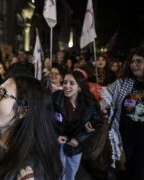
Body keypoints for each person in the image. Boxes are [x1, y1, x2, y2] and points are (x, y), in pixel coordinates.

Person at [100, 45, 144, 180]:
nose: (134, 65)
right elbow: (102, 103)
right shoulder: (122, 84)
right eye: (132, 61)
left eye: (139, 61)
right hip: (122, 143)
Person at [52, 71, 103, 180]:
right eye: (65, 82)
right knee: (58, 172)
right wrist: (56, 135)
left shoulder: (90, 102)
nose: (66, 86)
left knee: (71, 172)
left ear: (80, 87)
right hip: (58, 143)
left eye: (71, 83)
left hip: (76, 146)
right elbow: (47, 119)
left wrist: (79, 138)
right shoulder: (56, 97)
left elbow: (98, 123)